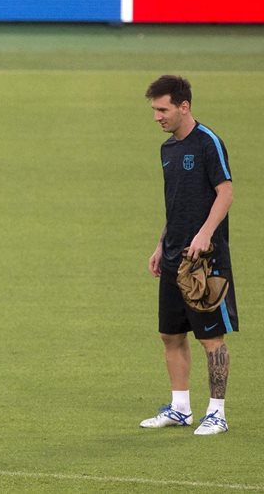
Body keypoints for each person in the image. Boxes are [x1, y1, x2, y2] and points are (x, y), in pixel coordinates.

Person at [141, 76, 237, 436]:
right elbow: (176, 204)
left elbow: (225, 193)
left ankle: (217, 414)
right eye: (154, 110)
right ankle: (180, 408)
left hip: (204, 260)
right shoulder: (168, 149)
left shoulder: (208, 143)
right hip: (172, 257)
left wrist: (204, 234)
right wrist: (160, 243)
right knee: (171, 334)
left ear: (184, 106)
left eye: (163, 109)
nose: (157, 117)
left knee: (211, 339)